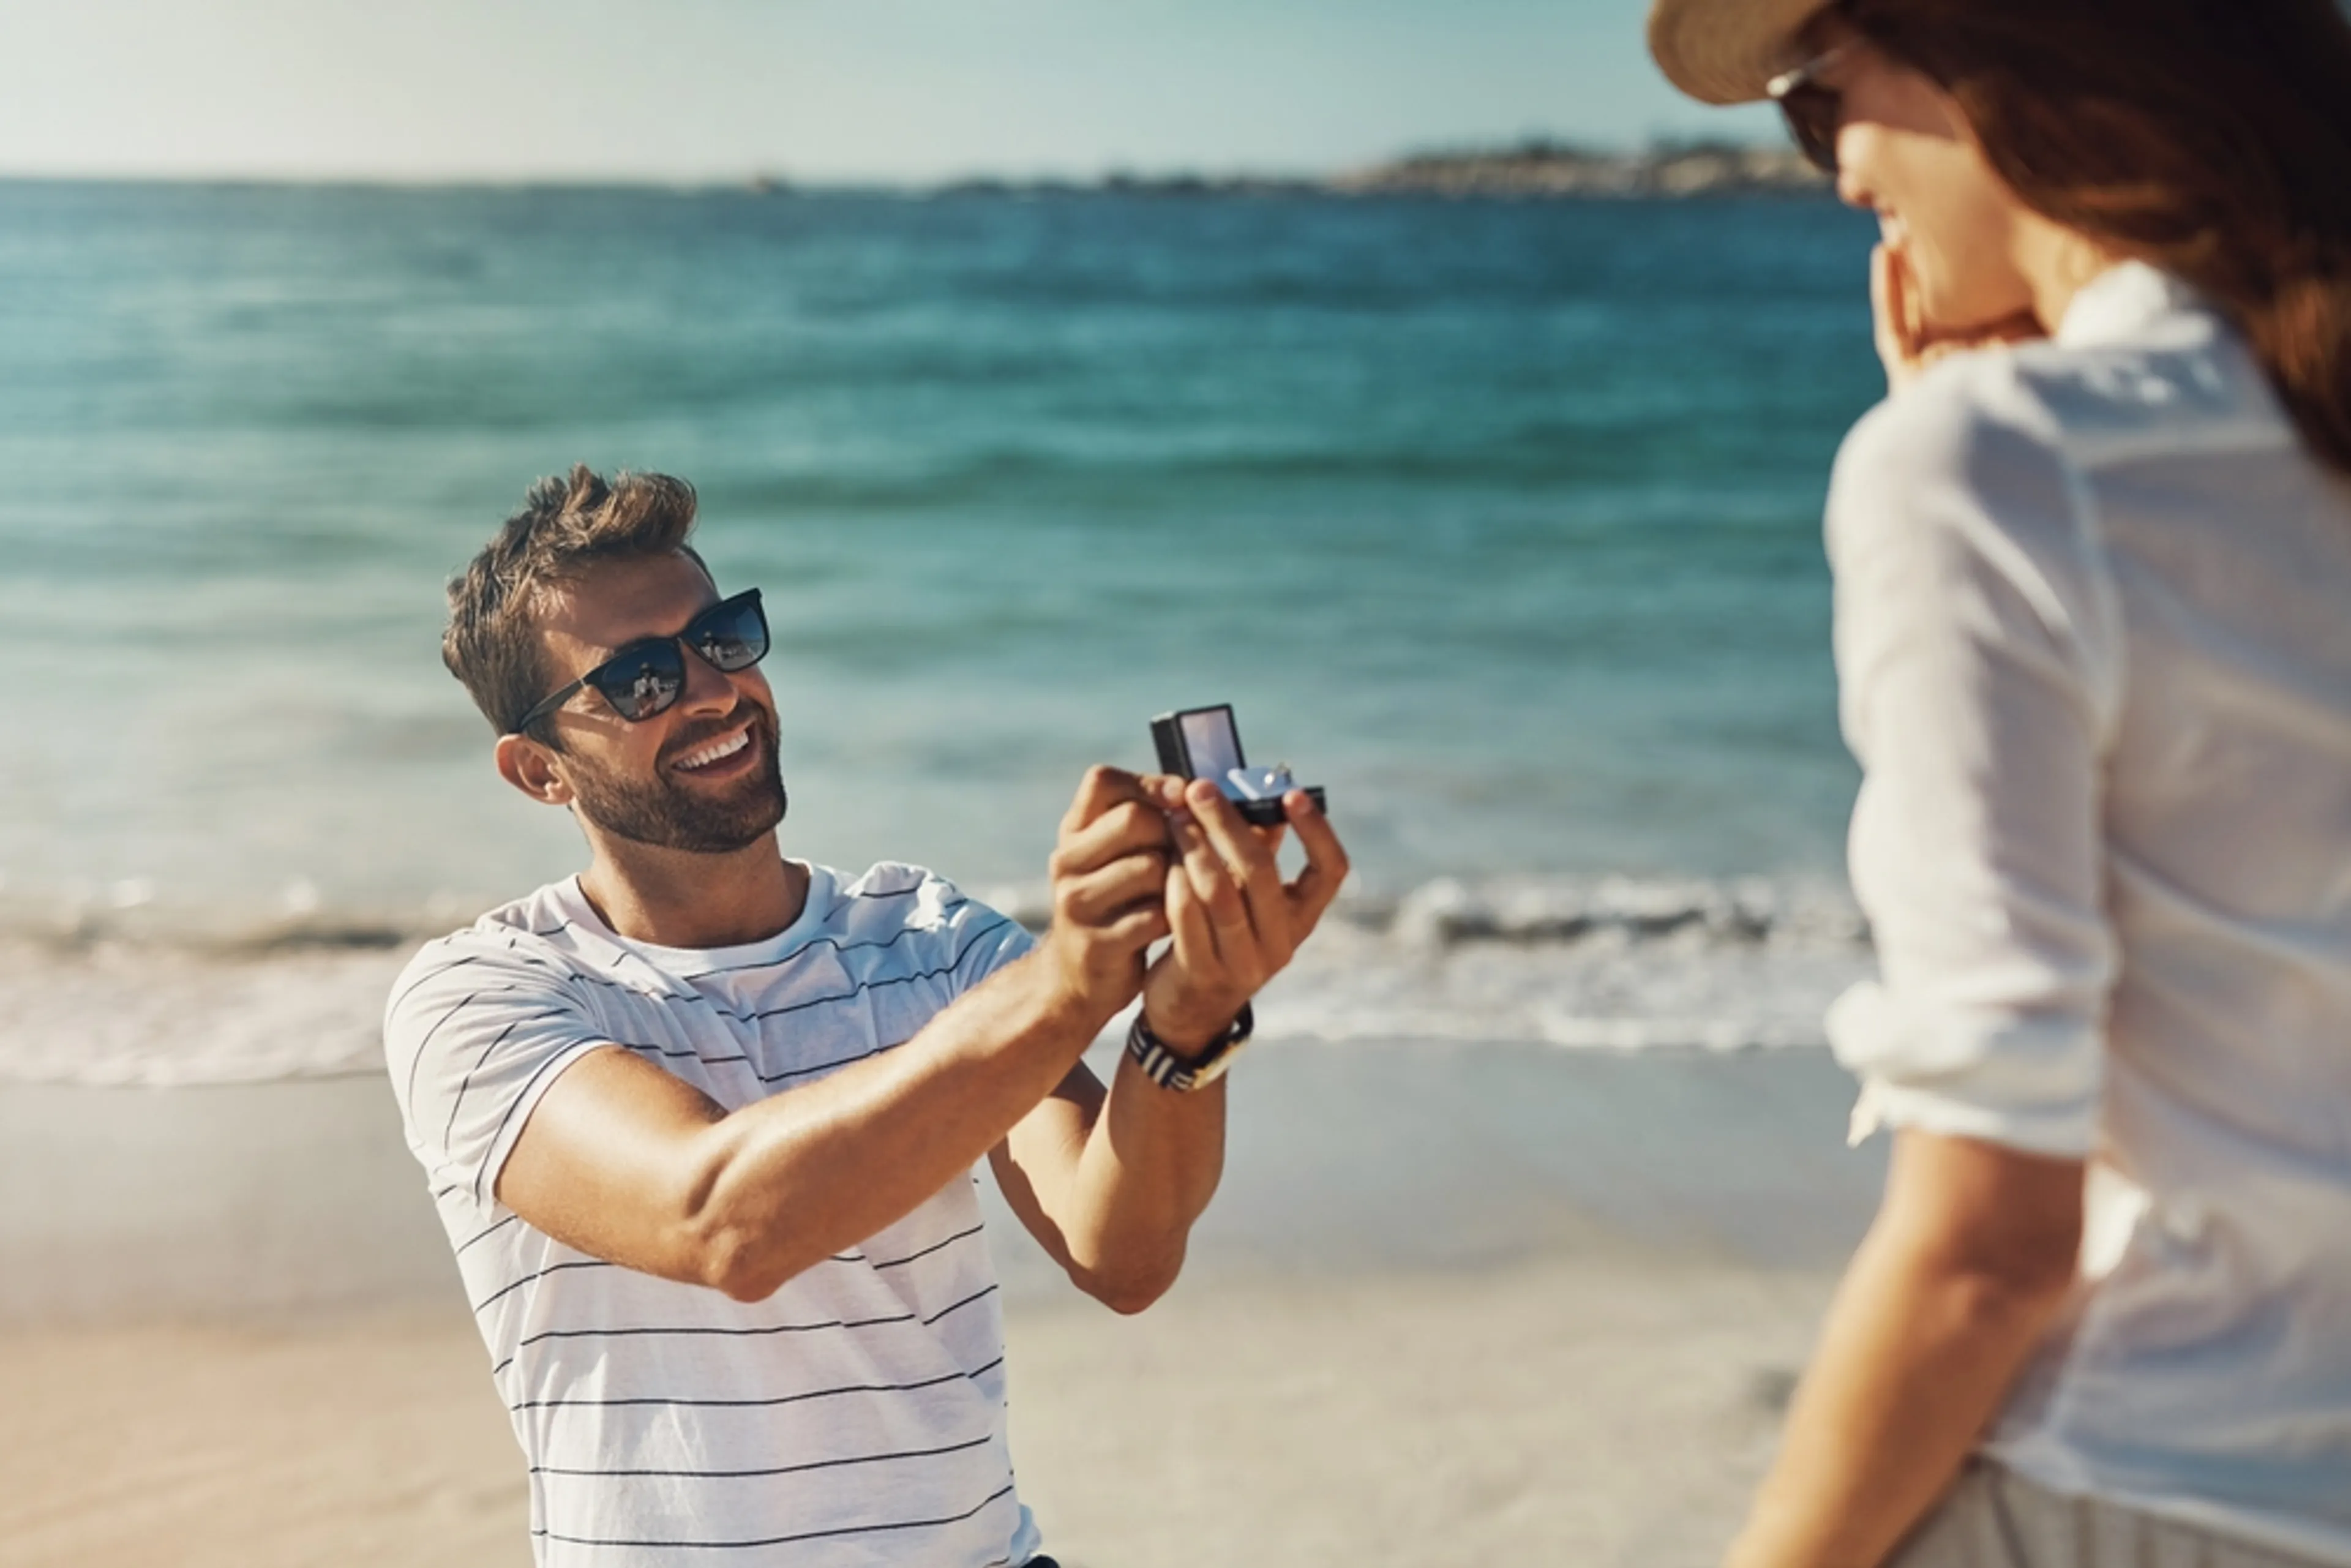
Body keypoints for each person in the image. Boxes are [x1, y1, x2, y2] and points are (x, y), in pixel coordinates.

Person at [1646, 2, 2351, 1565]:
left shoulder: (2004, 469)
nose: (1839, 176)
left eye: (1827, 102)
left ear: (2000, 57)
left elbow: (1989, 1249)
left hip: (2155, 1471)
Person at [384, 466, 1349, 1567]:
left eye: (723, 638)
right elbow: (723, 1222)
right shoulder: (480, 998)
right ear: (537, 771)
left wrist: (1188, 1025)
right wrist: (1069, 985)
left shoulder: (929, 942)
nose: (711, 692)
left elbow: (1121, 1253)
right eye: (643, 680)